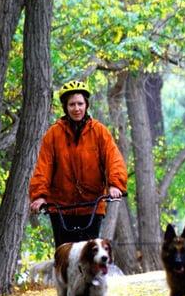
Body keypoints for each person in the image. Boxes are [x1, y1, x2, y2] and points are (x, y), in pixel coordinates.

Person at [29, 80, 127, 247]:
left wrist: (114, 185)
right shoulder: (53, 134)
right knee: (64, 254)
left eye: (80, 104)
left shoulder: (99, 131)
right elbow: (43, 166)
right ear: (65, 107)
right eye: (72, 104)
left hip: (92, 206)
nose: (77, 109)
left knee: (89, 254)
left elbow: (113, 158)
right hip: (60, 207)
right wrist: (39, 196)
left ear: (86, 105)